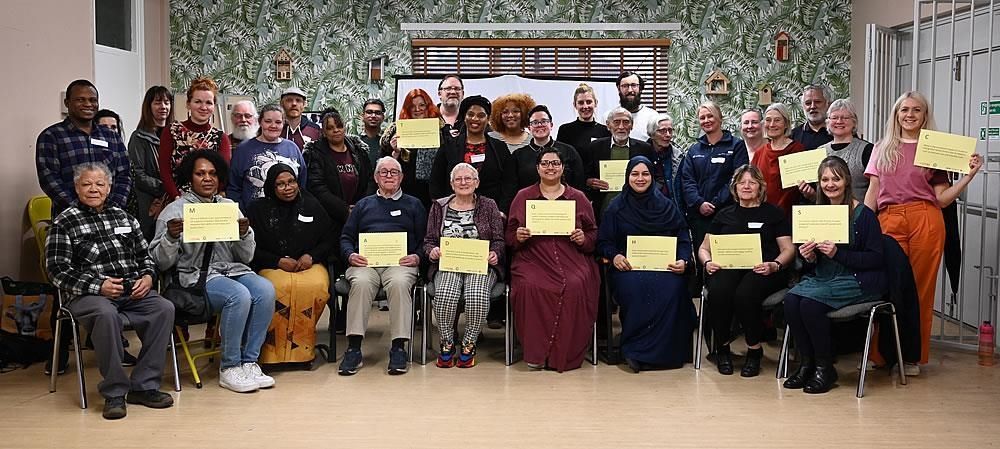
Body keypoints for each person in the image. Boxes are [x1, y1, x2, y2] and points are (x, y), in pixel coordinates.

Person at [864, 91, 983, 374]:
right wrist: (862, 225)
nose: (910, 115)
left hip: (925, 218)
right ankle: (881, 355)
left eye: (916, 110)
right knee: (887, 285)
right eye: (904, 110)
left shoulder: (934, 149)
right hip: (888, 218)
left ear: (925, 115)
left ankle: (913, 357)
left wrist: (969, 175)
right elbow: (873, 192)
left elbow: (942, 199)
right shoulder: (882, 147)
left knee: (920, 290)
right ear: (896, 114)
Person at [45, 162, 174, 420]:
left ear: (109, 187)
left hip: (131, 291)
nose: (94, 189)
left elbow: (145, 256)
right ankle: (115, 391)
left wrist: (148, 277)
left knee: (164, 308)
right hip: (88, 296)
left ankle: (144, 386)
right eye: (87, 184)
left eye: (99, 184)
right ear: (76, 187)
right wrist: (98, 286)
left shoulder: (125, 217)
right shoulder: (64, 222)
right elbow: (56, 270)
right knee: (106, 314)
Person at [150, 150, 276, 393]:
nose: (207, 178)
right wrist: (170, 236)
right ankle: (229, 367)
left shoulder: (229, 206)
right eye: (200, 174)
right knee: (238, 295)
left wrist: (244, 233)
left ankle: (249, 361)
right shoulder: (175, 210)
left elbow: (246, 257)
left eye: (212, 174)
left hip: (232, 268)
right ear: (190, 177)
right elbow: (161, 262)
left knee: (265, 289)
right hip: (195, 275)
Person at [783, 156, 887, 394]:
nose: (830, 184)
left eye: (836, 179)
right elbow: (810, 264)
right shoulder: (816, 214)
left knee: (810, 305)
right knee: (790, 301)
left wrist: (838, 253)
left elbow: (876, 259)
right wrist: (808, 256)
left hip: (857, 279)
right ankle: (806, 364)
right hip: (824, 277)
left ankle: (824, 367)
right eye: (825, 179)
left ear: (847, 181)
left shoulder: (864, 215)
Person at [597, 156, 696, 372]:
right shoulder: (616, 207)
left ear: (652, 177)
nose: (640, 178)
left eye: (645, 174)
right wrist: (615, 256)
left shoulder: (667, 206)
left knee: (674, 288)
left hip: (665, 267)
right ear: (627, 176)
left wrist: (683, 259)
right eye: (635, 174)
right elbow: (604, 241)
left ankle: (668, 353)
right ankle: (635, 351)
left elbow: (683, 238)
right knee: (636, 288)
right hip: (629, 268)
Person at [507, 148, 600, 372]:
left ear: (562, 167)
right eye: (546, 163)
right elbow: (509, 235)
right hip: (533, 257)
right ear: (537, 168)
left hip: (572, 257)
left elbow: (593, 233)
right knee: (530, 286)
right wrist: (518, 236)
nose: (550, 167)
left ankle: (564, 354)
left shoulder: (578, 197)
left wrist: (583, 238)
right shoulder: (523, 196)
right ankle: (536, 353)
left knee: (576, 285)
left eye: (555, 163)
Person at [698, 164, 795, 377]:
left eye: (752, 182)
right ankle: (722, 349)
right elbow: (704, 249)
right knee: (720, 292)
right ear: (735, 187)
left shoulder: (774, 213)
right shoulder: (724, 215)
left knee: (745, 294)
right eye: (742, 182)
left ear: (760, 187)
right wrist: (707, 263)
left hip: (764, 270)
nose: (747, 186)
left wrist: (775, 265)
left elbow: (788, 249)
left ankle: (754, 349)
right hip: (729, 268)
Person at [337, 156, 427, 376]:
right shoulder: (363, 205)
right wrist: (350, 255)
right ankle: (354, 348)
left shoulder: (414, 204)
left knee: (398, 283)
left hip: (401, 263)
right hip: (366, 263)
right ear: (376, 177)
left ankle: (398, 347)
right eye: (384, 172)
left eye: (394, 172)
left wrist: (417, 257)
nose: (389, 176)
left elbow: (426, 239)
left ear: (402, 177)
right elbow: (346, 237)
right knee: (361, 282)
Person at [247, 164, 334, 365]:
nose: (288, 188)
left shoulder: (312, 204)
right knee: (277, 289)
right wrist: (276, 261)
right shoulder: (258, 210)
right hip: (272, 264)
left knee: (314, 287)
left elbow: (330, 238)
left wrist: (311, 256)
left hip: (309, 264)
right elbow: (249, 248)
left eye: (291, 182)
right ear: (271, 186)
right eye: (281, 184)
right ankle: (272, 352)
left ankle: (303, 351)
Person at [423, 163, 506, 368]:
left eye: (468, 178)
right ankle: (447, 343)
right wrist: (432, 252)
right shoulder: (439, 206)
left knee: (476, 295)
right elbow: (429, 241)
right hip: (449, 264)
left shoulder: (489, 205)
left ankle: (469, 344)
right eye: (458, 179)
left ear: (476, 183)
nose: (463, 182)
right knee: (445, 295)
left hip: (480, 264)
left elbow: (499, 240)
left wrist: (495, 253)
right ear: (452, 184)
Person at [36, 79, 132, 216]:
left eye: (93, 100)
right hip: (70, 217)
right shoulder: (51, 136)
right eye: (80, 100)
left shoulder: (112, 137)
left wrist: (113, 207)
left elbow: (124, 175)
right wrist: (80, 209)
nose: (88, 104)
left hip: (110, 215)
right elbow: (49, 179)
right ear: (67, 103)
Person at [679, 101, 750, 273]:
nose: (706, 120)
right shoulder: (694, 150)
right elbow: (687, 180)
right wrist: (699, 203)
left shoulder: (736, 145)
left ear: (720, 118)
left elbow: (738, 177)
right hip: (699, 217)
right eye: (702, 117)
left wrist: (716, 203)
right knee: (705, 260)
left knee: (727, 262)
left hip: (728, 213)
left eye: (710, 116)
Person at [304, 108, 374, 243]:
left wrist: (359, 207)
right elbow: (317, 187)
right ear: (324, 132)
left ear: (345, 128)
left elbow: (370, 180)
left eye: (339, 126)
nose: (336, 130)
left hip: (360, 214)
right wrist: (344, 209)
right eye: (330, 128)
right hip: (329, 218)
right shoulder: (315, 153)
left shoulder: (359, 150)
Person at [157, 76, 231, 200]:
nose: (203, 107)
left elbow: (223, 174)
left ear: (214, 106)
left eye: (208, 103)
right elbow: (164, 170)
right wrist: (176, 197)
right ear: (188, 104)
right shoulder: (171, 131)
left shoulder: (221, 137)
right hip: (176, 200)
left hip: (209, 201)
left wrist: (210, 197)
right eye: (198, 102)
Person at [502, 104, 586, 212]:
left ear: (551, 125)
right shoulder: (518, 156)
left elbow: (579, 185)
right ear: (529, 127)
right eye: (535, 122)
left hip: (564, 212)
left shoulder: (569, 151)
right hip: (529, 212)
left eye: (544, 121)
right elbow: (509, 189)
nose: (539, 125)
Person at [429, 95, 509, 205]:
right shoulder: (449, 146)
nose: (475, 119)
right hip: (454, 210)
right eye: (470, 114)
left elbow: (509, 182)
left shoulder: (500, 148)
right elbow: (436, 181)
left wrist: (502, 211)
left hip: (491, 211)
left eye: (481, 115)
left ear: (488, 118)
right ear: (464, 117)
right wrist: (440, 206)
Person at [227, 104, 306, 212]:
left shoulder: (292, 147)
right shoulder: (243, 150)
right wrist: (242, 215)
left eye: (278, 122)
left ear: (283, 123)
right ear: (260, 122)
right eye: (268, 121)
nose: (273, 126)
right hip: (254, 218)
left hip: (290, 215)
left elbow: (302, 182)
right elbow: (234, 188)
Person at [584, 107, 655, 214]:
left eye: (626, 122)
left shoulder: (645, 149)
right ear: (608, 125)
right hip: (604, 209)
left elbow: (652, 177)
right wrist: (590, 182)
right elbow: (585, 175)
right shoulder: (595, 147)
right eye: (616, 122)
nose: (621, 127)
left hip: (636, 208)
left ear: (632, 125)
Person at [381, 88, 442, 207]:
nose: (417, 109)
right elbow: (383, 169)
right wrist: (395, 152)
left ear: (428, 106)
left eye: (421, 105)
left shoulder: (440, 131)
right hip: (404, 194)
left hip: (434, 193)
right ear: (407, 108)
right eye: (412, 106)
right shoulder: (396, 132)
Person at [128, 86, 174, 241]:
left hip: (174, 198)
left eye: (167, 102)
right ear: (148, 106)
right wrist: (165, 187)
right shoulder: (139, 137)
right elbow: (138, 174)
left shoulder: (176, 135)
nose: (163, 107)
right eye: (157, 102)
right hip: (150, 200)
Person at [751, 103, 812, 215]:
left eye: (777, 120)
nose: (772, 124)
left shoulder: (798, 149)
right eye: (768, 120)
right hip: (763, 214)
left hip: (790, 215)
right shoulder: (759, 153)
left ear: (786, 124)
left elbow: (807, 188)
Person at [817, 99, 873, 200]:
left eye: (845, 118)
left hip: (858, 213)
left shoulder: (867, 150)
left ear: (854, 122)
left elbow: (875, 187)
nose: (839, 121)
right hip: (826, 214)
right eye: (834, 117)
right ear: (828, 122)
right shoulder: (819, 151)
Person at [556, 83, 611, 155]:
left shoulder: (606, 131)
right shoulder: (565, 130)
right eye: (581, 103)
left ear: (596, 103)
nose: (585, 106)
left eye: (589, 102)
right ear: (575, 105)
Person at [607, 71, 659, 141]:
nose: (630, 90)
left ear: (640, 88)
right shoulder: (608, 116)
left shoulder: (653, 116)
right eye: (625, 86)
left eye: (634, 85)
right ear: (619, 89)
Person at [645, 113, 683, 200]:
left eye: (670, 130)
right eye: (663, 131)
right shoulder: (642, 154)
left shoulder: (678, 156)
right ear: (652, 134)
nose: (668, 135)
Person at [791, 84, 834, 150]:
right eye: (808, 103)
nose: (813, 106)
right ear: (803, 107)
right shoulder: (793, 136)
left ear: (828, 104)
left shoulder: (839, 132)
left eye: (817, 102)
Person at [359, 98, 386, 166]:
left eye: (377, 113)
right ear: (363, 116)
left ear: (383, 117)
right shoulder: (355, 142)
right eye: (369, 112)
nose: (373, 116)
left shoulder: (388, 143)